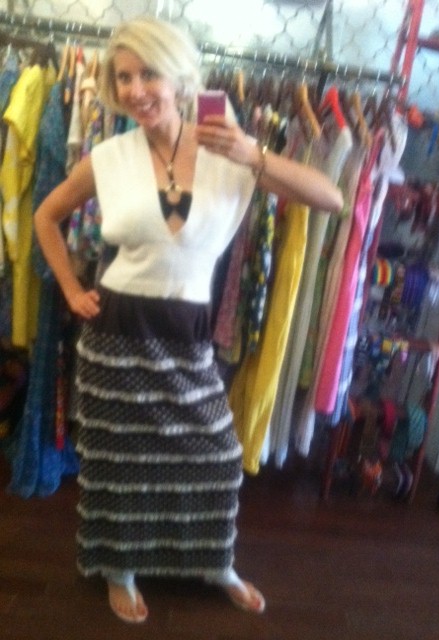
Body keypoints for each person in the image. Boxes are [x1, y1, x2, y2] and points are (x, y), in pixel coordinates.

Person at [34, 15, 343, 625]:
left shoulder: (231, 151)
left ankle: (213, 562)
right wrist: (70, 287)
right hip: (114, 334)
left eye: (148, 73)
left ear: (180, 76)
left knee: (217, 458)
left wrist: (254, 153)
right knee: (119, 465)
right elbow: (46, 216)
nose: (135, 89)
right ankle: (118, 568)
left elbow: (331, 199)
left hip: (186, 337)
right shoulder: (109, 156)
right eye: (124, 78)